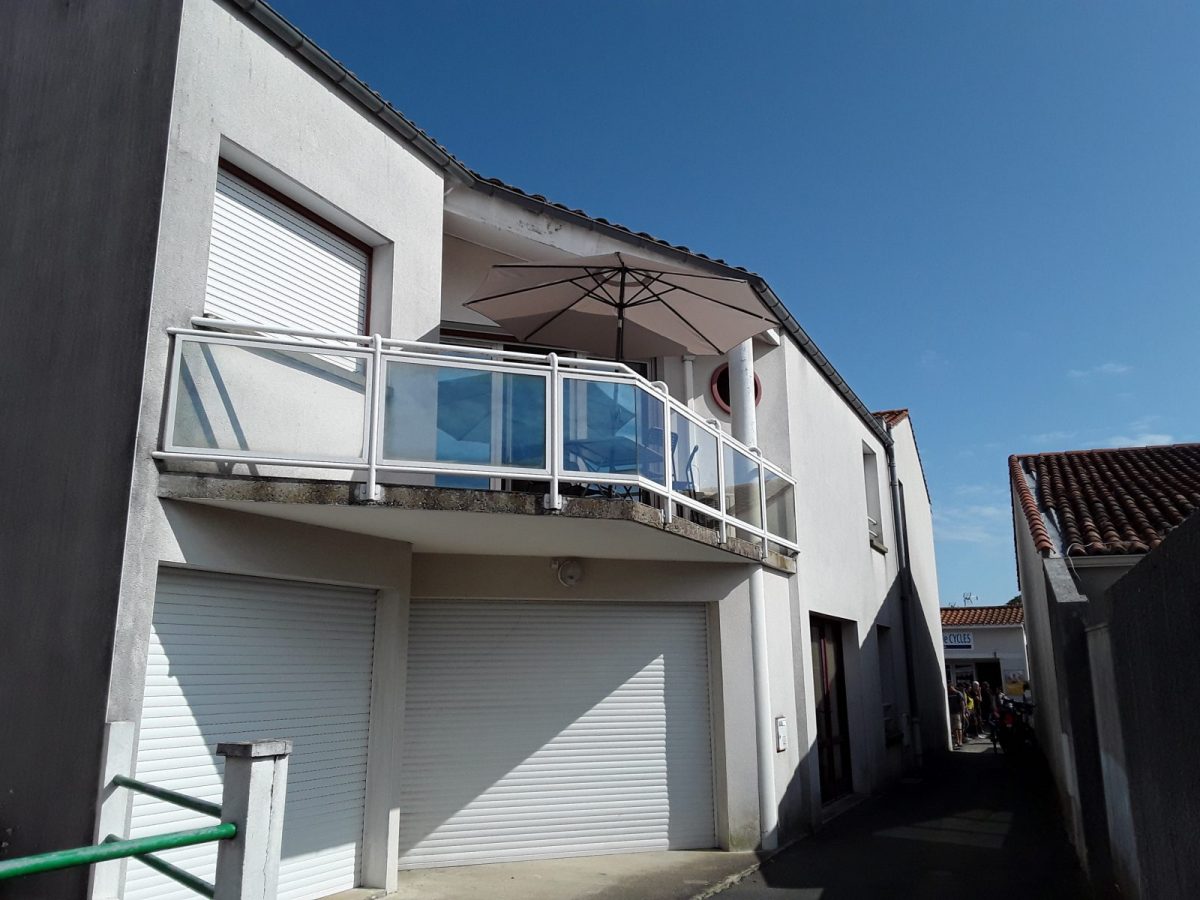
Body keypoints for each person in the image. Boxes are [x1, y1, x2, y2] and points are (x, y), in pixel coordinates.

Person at [947, 681, 965, 749]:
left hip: (957, 712)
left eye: (949, 687)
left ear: (952, 686)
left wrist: (963, 713)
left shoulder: (958, 693)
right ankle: (957, 741)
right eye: (948, 687)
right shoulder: (948, 694)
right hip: (951, 713)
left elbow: (962, 703)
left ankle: (960, 741)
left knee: (959, 727)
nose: (949, 688)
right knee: (954, 728)